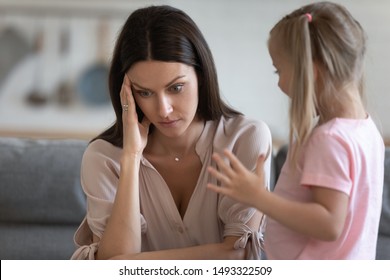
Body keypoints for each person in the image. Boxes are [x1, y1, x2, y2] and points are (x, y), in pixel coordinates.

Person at [71, 5, 272, 260]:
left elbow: (237, 257)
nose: (163, 110)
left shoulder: (246, 138)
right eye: (145, 92)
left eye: (176, 88)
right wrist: (132, 157)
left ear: (201, 75)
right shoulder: (103, 157)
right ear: (127, 93)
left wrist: (125, 264)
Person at [207, 1, 385, 259]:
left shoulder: (330, 139)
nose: (279, 83)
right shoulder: (367, 129)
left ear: (310, 73)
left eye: (279, 71)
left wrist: (258, 197)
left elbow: (329, 224)